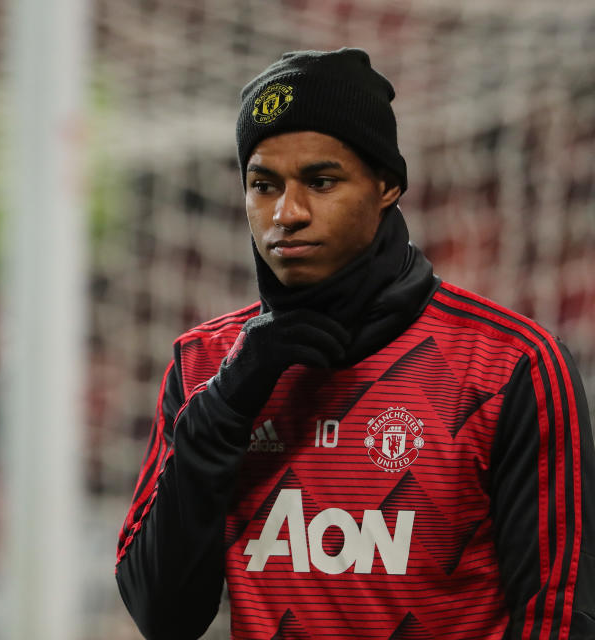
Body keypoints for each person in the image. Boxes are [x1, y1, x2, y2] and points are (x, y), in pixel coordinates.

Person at [114, 48, 594, 639]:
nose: (285, 213)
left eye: (320, 181)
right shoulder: (205, 366)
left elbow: (559, 617)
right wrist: (228, 404)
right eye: (263, 185)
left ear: (387, 184)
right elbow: (163, 617)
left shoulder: (508, 365)